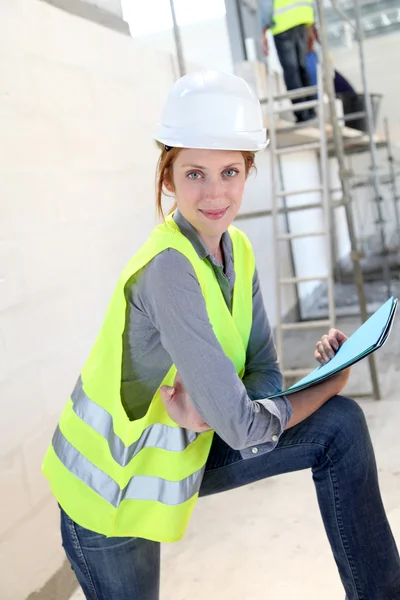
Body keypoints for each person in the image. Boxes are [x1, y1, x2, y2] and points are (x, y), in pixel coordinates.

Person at [42, 69, 400, 600]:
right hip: (109, 495)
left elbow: (263, 372)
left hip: (188, 451)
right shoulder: (168, 269)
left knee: (340, 428)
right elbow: (243, 425)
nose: (215, 193)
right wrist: (326, 384)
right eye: (194, 174)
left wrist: (221, 412)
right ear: (168, 177)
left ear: (248, 170)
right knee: (332, 409)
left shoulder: (240, 250)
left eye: (230, 171)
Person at [260, 0, 316, 122]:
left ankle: (303, 114)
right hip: (303, 17)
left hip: (282, 24)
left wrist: (264, 29)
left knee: (291, 72)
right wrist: (312, 25)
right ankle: (311, 111)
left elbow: (266, 4)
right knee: (302, 67)